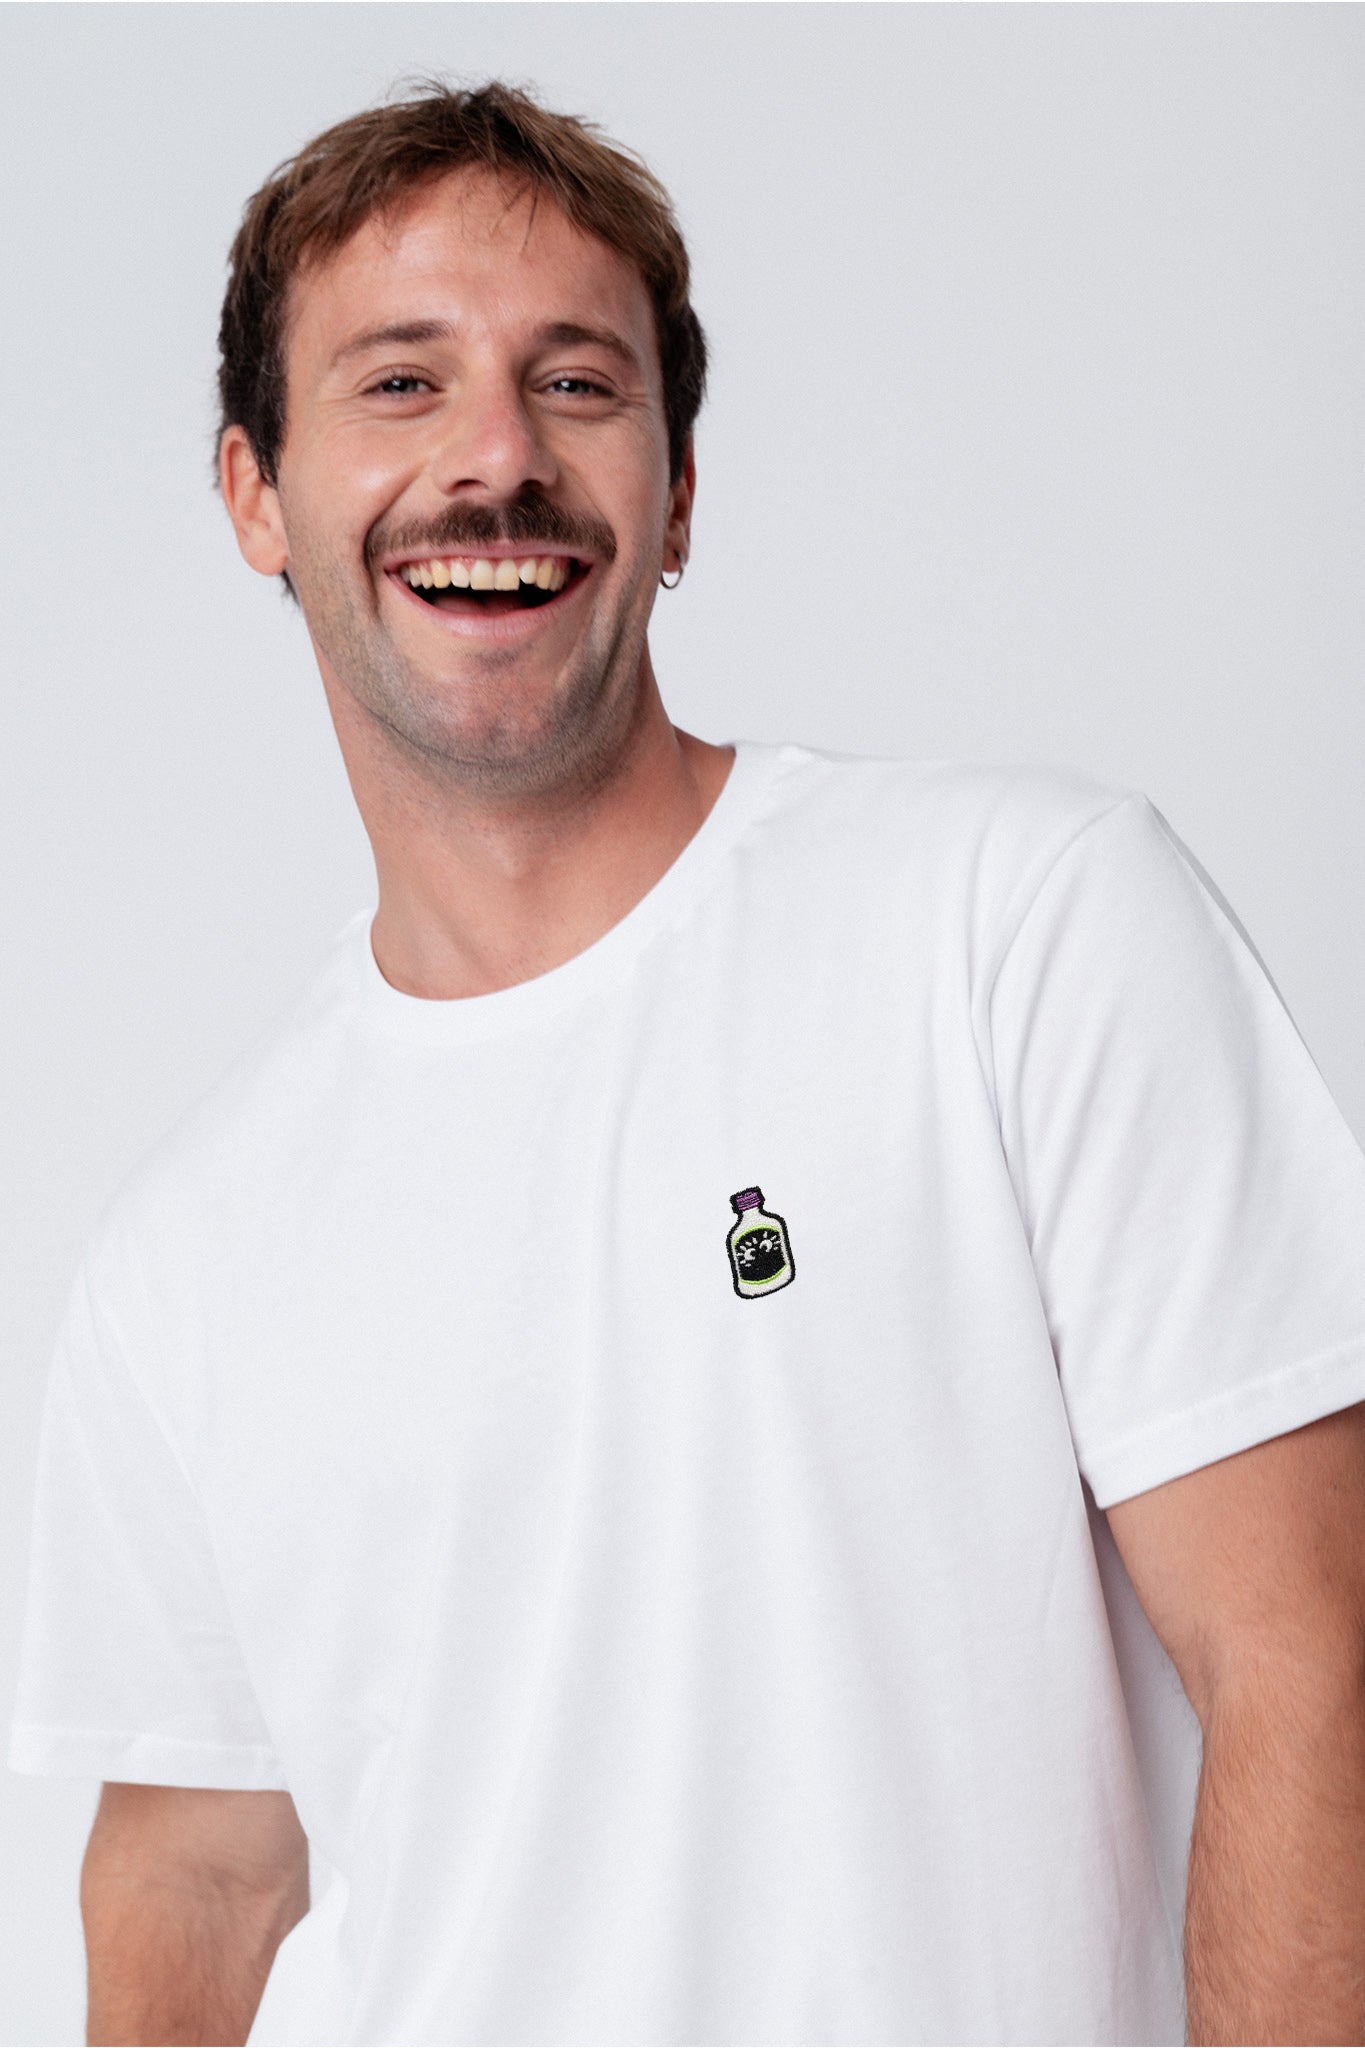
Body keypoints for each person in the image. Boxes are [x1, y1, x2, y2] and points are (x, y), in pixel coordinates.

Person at [10, 79, 1365, 2048]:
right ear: (254, 493)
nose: (496, 457)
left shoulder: (1012, 924)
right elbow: (189, 1877)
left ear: (677, 491)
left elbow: (1305, 1653)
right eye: (400, 383)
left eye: (575, 384)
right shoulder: (183, 1259)